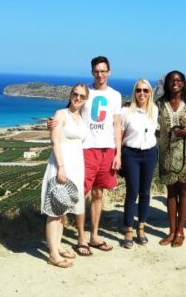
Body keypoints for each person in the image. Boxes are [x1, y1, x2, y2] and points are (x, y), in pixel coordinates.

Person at [47, 56, 122, 254]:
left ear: (109, 72)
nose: (100, 74)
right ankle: (81, 238)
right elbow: (69, 111)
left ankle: (94, 235)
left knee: (99, 194)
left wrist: (118, 153)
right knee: (82, 194)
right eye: (97, 71)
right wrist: (52, 123)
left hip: (107, 150)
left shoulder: (116, 95)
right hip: (86, 150)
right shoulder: (86, 93)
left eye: (104, 71)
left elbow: (116, 126)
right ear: (92, 73)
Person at [41, 84, 89, 268]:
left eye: (82, 96)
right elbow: (54, 141)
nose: (78, 98)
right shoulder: (61, 114)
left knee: (62, 210)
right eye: (75, 94)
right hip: (62, 166)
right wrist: (61, 167)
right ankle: (53, 254)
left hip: (76, 167)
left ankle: (57, 246)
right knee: (55, 211)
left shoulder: (81, 117)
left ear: (85, 100)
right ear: (70, 95)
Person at [156, 70, 186, 247]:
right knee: (171, 192)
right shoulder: (160, 104)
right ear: (167, 83)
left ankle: (180, 231)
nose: (175, 83)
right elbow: (153, 125)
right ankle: (172, 231)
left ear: (184, 83)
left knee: (183, 190)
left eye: (178, 80)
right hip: (166, 153)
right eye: (172, 80)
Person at [119, 79, 158, 248]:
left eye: (146, 90)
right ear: (134, 92)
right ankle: (128, 229)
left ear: (150, 93)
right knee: (132, 192)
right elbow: (119, 136)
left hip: (150, 154)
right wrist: (118, 156)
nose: (142, 93)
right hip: (131, 154)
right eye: (139, 90)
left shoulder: (154, 110)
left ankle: (141, 227)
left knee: (145, 192)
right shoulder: (126, 111)